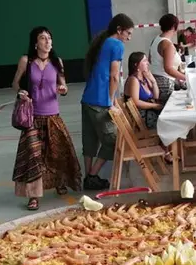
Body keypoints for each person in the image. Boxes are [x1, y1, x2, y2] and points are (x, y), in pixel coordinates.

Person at [12, 27, 82, 210]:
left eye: (49, 38)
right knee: (33, 157)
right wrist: (20, 92)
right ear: (36, 43)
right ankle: (34, 196)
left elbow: (63, 84)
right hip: (33, 117)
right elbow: (15, 83)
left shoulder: (57, 62)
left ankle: (59, 181)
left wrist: (63, 89)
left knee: (57, 151)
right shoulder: (26, 61)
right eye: (43, 38)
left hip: (53, 115)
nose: (47, 41)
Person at [81, 13, 134, 190]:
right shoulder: (116, 45)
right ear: (119, 30)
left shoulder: (101, 42)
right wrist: (111, 101)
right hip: (100, 102)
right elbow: (114, 76)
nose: (129, 37)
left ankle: (88, 177)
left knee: (89, 141)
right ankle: (93, 174)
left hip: (87, 98)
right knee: (113, 141)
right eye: (128, 33)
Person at [150, 14, 187, 105]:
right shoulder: (168, 45)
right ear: (174, 27)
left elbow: (150, 59)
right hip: (165, 84)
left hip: (155, 80)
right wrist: (186, 77)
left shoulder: (155, 40)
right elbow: (168, 68)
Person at [124, 52, 163, 129]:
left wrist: (153, 81)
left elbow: (156, 96)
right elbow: (135, 102)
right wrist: (154, 106)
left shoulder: (144, 78)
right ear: (136, 64)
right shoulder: (133, 80)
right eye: (144, 61)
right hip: (140, 117)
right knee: (167, 122)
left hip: (149, 113)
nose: (148, 63)